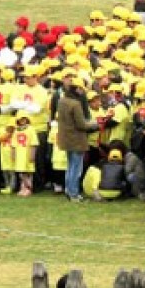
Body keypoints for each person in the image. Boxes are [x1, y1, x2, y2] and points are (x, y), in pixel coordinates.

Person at [56, 71, 98, 202]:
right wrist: (95, 124)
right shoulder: (76, 104)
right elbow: (81, 124)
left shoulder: (62, 100)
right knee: (76, 167)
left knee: (70, 166)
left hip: (66, 138)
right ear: (77, 89)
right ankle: (73, 193)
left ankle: (69, 191)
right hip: (76, 139)